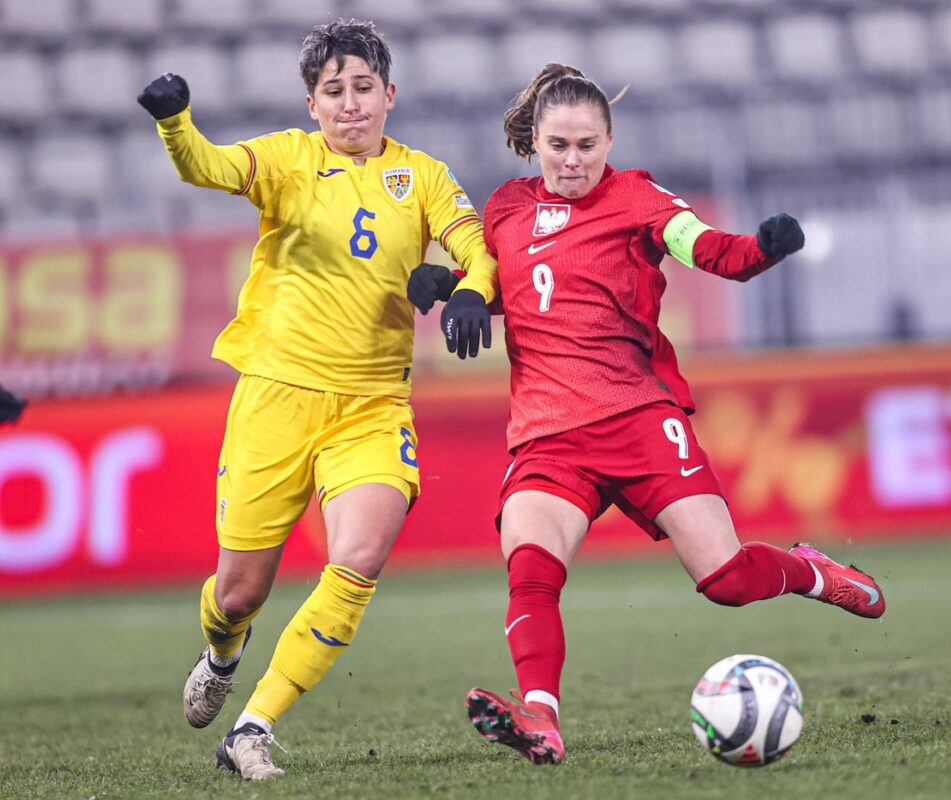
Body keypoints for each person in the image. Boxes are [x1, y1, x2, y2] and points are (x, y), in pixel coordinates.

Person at [408, 63, 886, 767]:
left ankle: (811, 571)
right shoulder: (508, 207)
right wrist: (454, 289)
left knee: (725, 580)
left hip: (636, 415)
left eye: (587, 145)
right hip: (547, 432)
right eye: (559, 146)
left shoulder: (636, 196)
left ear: (609, 140)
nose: (573, 161)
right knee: (530, 567)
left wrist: (760, 250)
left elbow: (704, 246)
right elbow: (520, 288)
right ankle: (539, 716)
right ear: (534, 141)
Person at [137, 19, 497, 780]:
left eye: (364, 88)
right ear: (312, 104)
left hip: (371, 405)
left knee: (359, 555)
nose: (351, 105)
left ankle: (252, 728)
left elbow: (473, 243)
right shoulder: (287, 160)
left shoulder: (423, 176)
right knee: (238, 594)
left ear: (390, 95)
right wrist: (176, 123)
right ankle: (222, 652)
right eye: (335, 92)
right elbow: (208, 166)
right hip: (277, 394)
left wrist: (473, 290)